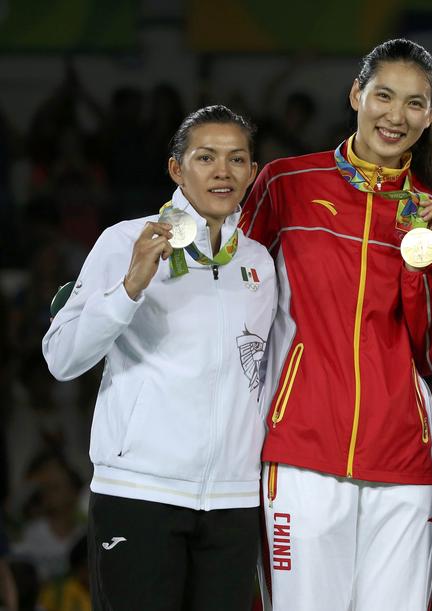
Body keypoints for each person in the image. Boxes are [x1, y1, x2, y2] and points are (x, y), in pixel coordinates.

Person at [238, 39, 432, 610]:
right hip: (303, 449)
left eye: (415, 103)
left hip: (404, 458)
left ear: (431, 114)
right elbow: (236, 301)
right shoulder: (286, 184)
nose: (396, 116)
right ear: (356, 94)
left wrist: (429, 259)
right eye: (383, 96)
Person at [42, 105, 275, 611]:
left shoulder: (260, 263)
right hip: (138, 494)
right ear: (176, 169)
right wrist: (129, 287)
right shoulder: (125, 241)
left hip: (232, 502)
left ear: (253, 173)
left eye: (237, 160)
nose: (223, 171)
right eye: (206, 157)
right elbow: (62, 358)